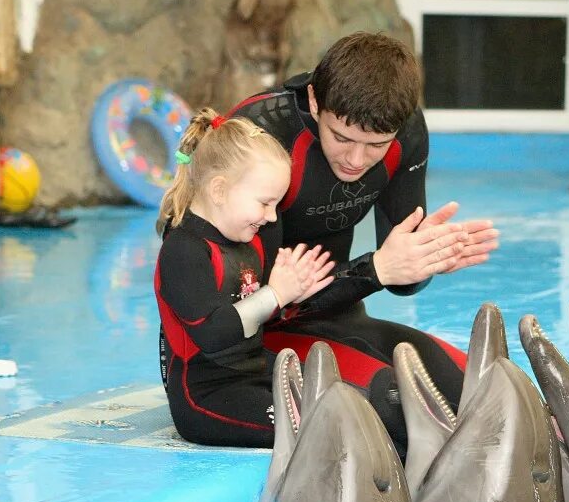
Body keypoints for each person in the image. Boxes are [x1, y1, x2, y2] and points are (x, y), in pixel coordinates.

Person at [229, 31, 500, 427]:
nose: (357, 160)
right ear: (314, 101)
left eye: (376, 145)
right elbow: (242, 304)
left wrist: (424, 260)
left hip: (336, 319)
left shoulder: (405, 130)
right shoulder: (263, 133)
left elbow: (402, 284)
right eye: (341, 137)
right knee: (407, 410)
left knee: (492, 390)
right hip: (254, 342)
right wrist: (376, 270)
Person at [155, 109, 337, 447]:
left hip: (253, 372)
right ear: (219, 190)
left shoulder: (249, 239)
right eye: (266, 203)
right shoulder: (184, 251)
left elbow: (253, 307)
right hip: (206, 394)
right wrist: (274, 295)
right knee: (315, 431)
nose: (271, 217)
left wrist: (294, 294)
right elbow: (212, 333)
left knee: (346, 406)